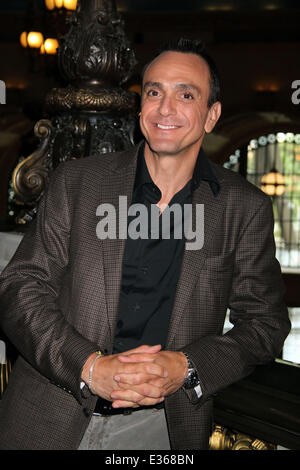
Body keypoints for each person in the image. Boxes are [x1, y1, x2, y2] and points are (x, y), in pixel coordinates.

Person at [0, 38, 290, 450]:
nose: (165, 108)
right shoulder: (78, 182)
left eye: (185, 94)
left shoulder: (244, 208)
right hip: (48, 413)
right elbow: (19, 287)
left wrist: (187, 367)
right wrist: (88, 366)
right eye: (154, 92)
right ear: (141, 109)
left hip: (159, 429)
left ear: (211, 116)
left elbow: (266, 324)